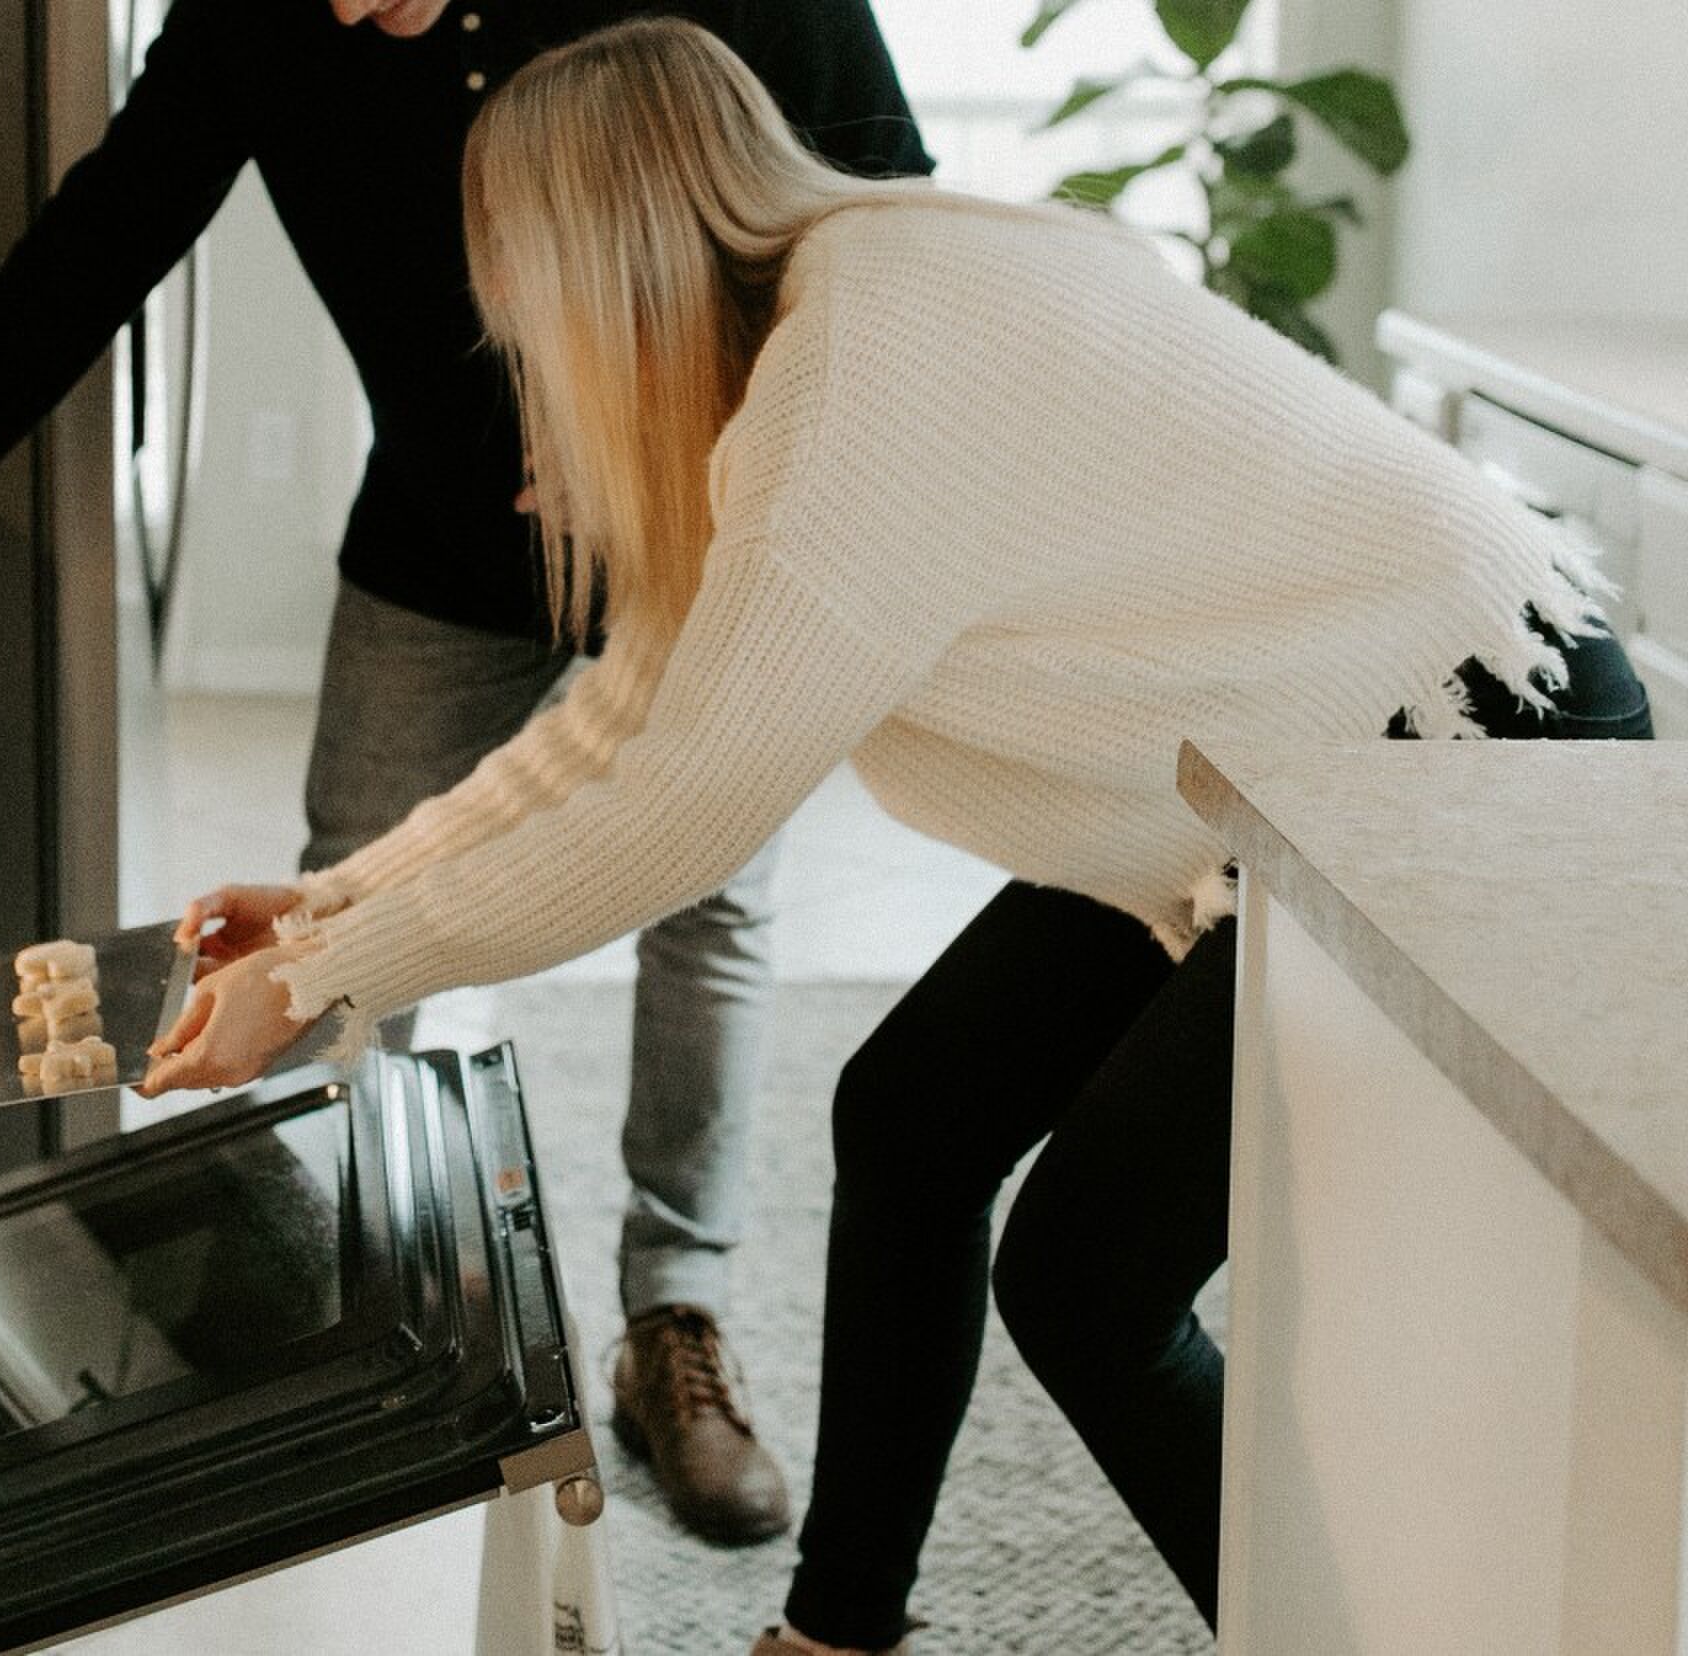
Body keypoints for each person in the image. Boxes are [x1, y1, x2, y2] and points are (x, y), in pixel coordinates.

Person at [139, 18, 1654, 1654]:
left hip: (1455, 740)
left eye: (509, 280)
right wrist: (335, 899)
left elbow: (674, 805)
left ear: (591, 256)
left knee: (1084, 1285)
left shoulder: (859, 374)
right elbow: (620, 721)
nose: (503, 324)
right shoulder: (810, 329)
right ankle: (841, 1630)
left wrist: (332, 976)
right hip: (1273, 775)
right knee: (916, 1114)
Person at [0, 0, 932, 1546]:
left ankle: (672, 1322)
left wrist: (724, 434)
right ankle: (322, 1294)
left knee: (709, 904)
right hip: (438, 539)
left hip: (707, 519)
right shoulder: (269, 10)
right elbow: (110, 230)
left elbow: (881, 227)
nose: (344, 12)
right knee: (344, 892)